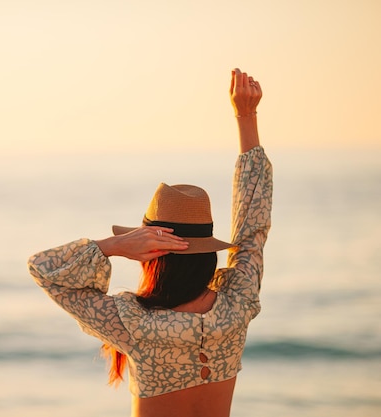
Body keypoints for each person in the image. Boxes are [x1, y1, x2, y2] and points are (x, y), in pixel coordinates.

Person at [28, 68, 272, 417]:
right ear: (207, 251)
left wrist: (113, 246)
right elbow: (253, 225)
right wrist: (246, 116)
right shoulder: (237, 305)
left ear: (151, 253)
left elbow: (42, 269)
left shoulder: (134, 323)